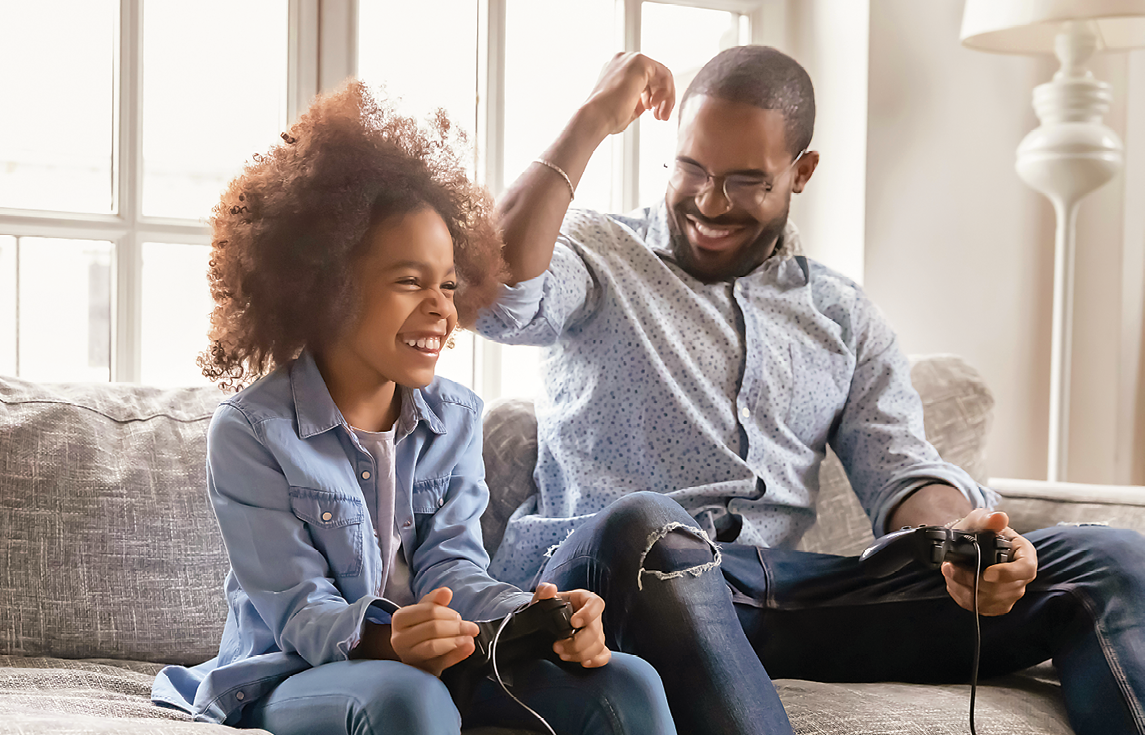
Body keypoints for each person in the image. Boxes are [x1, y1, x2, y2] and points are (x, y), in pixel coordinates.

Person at [473, 45, 1145, 735]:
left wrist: (960, 539)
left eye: (744, 181)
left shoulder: (839, 315)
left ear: (802, 172)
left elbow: (901, 469)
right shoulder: (599, 253)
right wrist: (590, 120)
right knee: (649, 524)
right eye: (693, 169)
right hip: (612, 574)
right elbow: (492, 294)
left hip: (770, 593)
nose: (709, 201)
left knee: (1112, 557)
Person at [150, 80, 677, 735]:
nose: (442, 308)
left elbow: (452, 566)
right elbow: (300, 611)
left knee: (627, 681)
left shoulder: (453, 416)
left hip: (442, 662)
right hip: (292, 673)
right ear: (328, 286)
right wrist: (389, 635)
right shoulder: (252, 430)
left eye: (449, 284)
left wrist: (535, 613)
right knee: (408, 700)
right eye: (410, 281)